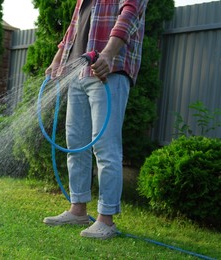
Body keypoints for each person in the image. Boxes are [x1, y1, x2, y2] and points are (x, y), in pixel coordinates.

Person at [43, 0, 149, 239]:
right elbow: (73, 28)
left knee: (105, 146)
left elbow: (130, 13)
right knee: (76, 144)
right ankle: (78, 209)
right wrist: (59, 57)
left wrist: (109, 53)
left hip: (109, 71)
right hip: (79, 72)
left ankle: (106, 219)